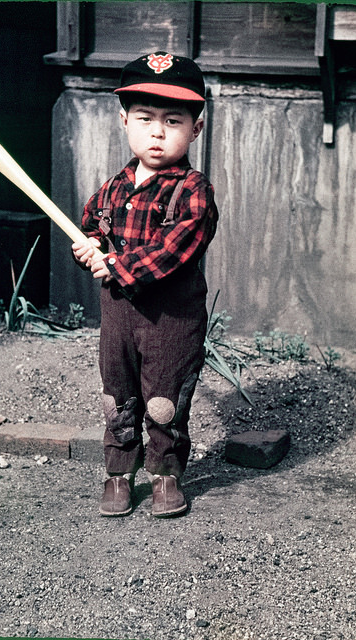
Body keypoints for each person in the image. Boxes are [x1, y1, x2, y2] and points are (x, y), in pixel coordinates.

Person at [72, 51, 218, 518]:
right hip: (118, 316)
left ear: (195, 128)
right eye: (145, 118)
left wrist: (117, 265)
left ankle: (165, 475)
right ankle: (119, 473)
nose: (157, 131)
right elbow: (92, 226)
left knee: (163, 399)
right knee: (118, 393)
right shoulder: (115, 186)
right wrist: (88, 245)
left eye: (173, 120)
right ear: (124, 120)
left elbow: (174, 248)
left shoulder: (193, 191)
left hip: (171, 319)